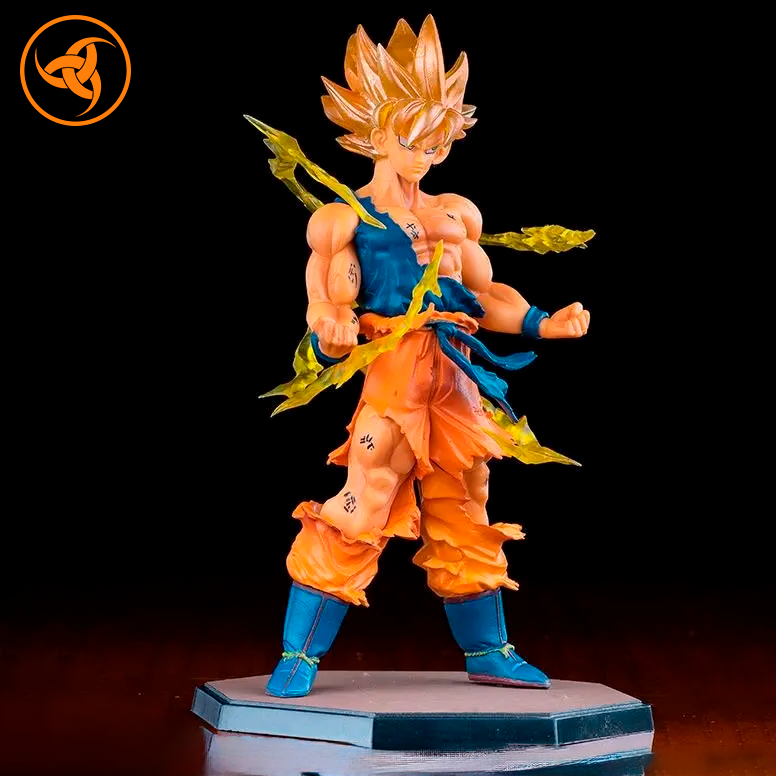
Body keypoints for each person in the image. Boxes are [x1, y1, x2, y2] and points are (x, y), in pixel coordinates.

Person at [262, 16, 590, 699]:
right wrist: (331, 333)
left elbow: (484, 295)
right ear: (376, 132)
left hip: (456, 376)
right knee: (363, 498)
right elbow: (324, 303)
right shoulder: (342, 219)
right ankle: (299, 655)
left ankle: (489, 652)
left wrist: (541, 323)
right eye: (415, 137)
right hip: (394, 373)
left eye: (439, 137)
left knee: (467, 506)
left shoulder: (455, 213)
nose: (429, 152)